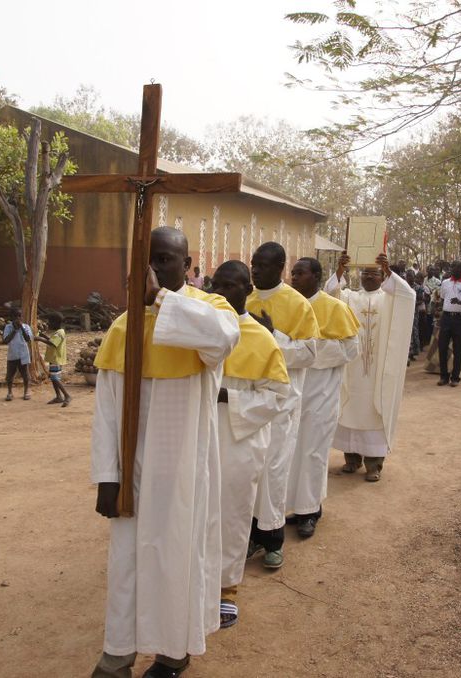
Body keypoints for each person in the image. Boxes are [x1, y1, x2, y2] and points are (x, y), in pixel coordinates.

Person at [90, 227, 240, 678]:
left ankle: (175, 651)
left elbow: (222, 339)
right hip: (132, 469)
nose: (155, 270)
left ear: (188, 265)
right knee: (128, 558)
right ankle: (118, 652)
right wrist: (106, 475)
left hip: (181, 469)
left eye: (166, 259)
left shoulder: (208, 310)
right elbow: (106, 411)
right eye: (147, 262)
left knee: (176, 552)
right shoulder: (122, 326)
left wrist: (161, 301)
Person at [209, 260, 290, 630]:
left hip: (241, 441)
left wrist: (230, 399)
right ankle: (198, 580)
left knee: (233, 513)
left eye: (230, 286)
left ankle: (227, 589)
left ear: (246, 289)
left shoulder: (260, 337)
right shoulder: (203, 330)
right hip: (201, 436)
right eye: (216, 285)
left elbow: (278, 397)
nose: (221, 293)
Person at [245, 242, 320, 570]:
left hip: (281, 401)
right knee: (249, 470)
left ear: (279, 268)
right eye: (252, 263)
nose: (255, 269)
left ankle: (273, 540)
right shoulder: (243, 299)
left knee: (274, 471)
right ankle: (248, 535)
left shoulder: (298, 305)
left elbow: (308, 354)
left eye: (262, 265)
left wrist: (272, 335)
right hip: (247, 399)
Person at [325, 252, 416, 482]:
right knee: (350, 411)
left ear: (381, 277)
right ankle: (351, 459)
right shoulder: (349, 298)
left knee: (376, 411)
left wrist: (389, 272)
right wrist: (340, 270)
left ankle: (374, 464)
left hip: (377, 372)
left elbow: (408, 295)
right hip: (353, 371)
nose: (368, 277)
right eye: (365, 273)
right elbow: (330, 295)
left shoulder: (389, 299)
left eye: (374, 274)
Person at [286, 256, 360, 538]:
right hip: (292, 391)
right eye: (292, 273)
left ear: (316, 276)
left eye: (300, 273)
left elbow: (350, 349)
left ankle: (309, 510)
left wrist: (308, 351)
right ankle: (292, 506)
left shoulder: (335, 308)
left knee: (312, 451)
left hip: (321, 392)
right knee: (290, 451)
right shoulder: (289, 304)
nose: (294, 277)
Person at [437, 260, 461, 387]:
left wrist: (460, 302)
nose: (454, 270)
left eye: (457, 268)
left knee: (458, 349)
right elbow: (442, 299)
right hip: (446, 318)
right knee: (442, 348)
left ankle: (455, 377)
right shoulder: (445, 283)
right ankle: (444, 376)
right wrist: (438, 312)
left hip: (460, 319)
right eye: (452, 267)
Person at [35, 311, 71, 406]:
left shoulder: (59, 333)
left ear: (55, 322)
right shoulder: (58, 332)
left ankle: (67, 395)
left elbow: (52, 343)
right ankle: (59, 396)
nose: (48, 324)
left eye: (49, 322)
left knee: (54, 378)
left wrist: (38, 339)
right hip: (53, 359)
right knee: (54, 378)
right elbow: (52, 340)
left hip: (56, 359)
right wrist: (43, 336)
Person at [2, 306, 33, 402]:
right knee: (10, 375)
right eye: (16, 316)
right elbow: (6, 340)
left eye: (20, 316)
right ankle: (10, 392)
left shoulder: (26, 327)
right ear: (12, 317)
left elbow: (28, 339)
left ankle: (26, 391)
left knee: (25, 374)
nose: (18, 318)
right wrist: (15, 330)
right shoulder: (8, 327)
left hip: (23, 354)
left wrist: (21, 329)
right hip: (12, 354)